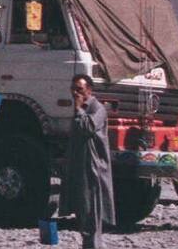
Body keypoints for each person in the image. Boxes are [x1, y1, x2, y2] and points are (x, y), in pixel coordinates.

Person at [63, 74, 115, 248]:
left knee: (92, 211)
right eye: (73, 89)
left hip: (93, 168)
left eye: (80, 89)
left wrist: (78, 109)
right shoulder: (81, 108)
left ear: (89, 90)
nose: (75, 93)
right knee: (82, 211)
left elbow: (88, 127)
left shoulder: (97, 108)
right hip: (80, 166)